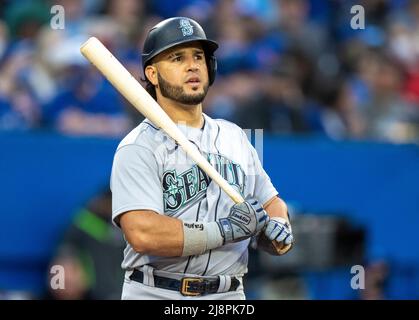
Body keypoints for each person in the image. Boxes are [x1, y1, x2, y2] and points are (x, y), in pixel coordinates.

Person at [110, 17, 294, 300]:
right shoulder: (138, 146)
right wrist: (222, 231)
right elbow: (142, 233)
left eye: (198, 56)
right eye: (177, 58)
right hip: (157, 291)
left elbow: (271, 201)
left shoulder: (235, 137)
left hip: (229, 294)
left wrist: (277, 227)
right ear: (153, 74)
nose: (193, 65)